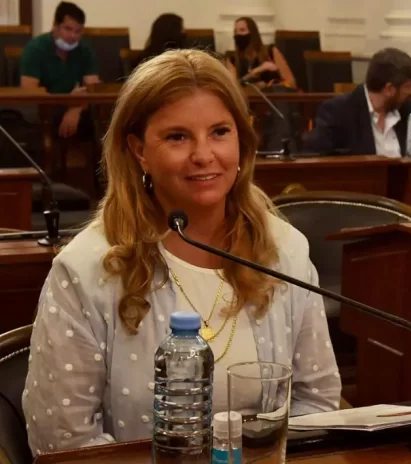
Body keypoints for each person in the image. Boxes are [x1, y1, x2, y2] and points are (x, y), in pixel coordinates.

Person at [22, 49, 340, 454]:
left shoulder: (285, 251)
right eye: (177, 137)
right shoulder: (86, 270)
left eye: (220, 132)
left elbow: (317, 403)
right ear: (139, 150)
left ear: (242, 139)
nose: (204, 155)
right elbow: (64, 443)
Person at [302, 47, 411, 156]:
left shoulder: (408, 111)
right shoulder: (337, 112)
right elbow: (313, 157)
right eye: (407, 86)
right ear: (389, 89)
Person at [20, 2, 99, 139]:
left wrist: (75, 108)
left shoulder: (85, 50)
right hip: (44, 109)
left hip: (77, 107)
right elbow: (29, 93)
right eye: (68, 29)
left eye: (78, 31)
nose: (73, 36)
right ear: (55, 26)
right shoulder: (35, 49)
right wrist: (69, 101)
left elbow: (93, 89)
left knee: (99, 118)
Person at [224, 16, 295, 88]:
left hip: (273, 94)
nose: (238, 34)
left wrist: (269, 86)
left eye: (242, 30)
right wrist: (257, 71)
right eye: (235, 31)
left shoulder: (270, 51)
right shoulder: (232, 59)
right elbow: (233, 88)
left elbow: (291, 82)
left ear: (253, 33)